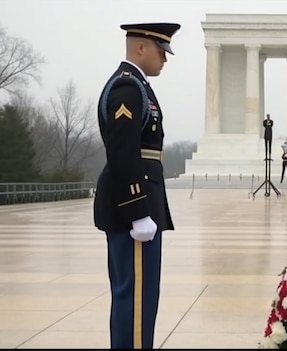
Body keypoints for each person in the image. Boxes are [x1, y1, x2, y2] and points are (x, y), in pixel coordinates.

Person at [93, 22, 180, 349]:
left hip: (140, 207)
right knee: (135, 302)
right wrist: (137, 212)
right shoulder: (128, 88)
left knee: (141, 301)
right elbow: (123, 153)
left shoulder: (138, 86)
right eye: (161, 51)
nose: (165, 59)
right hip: (134, 210)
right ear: (140, 48)